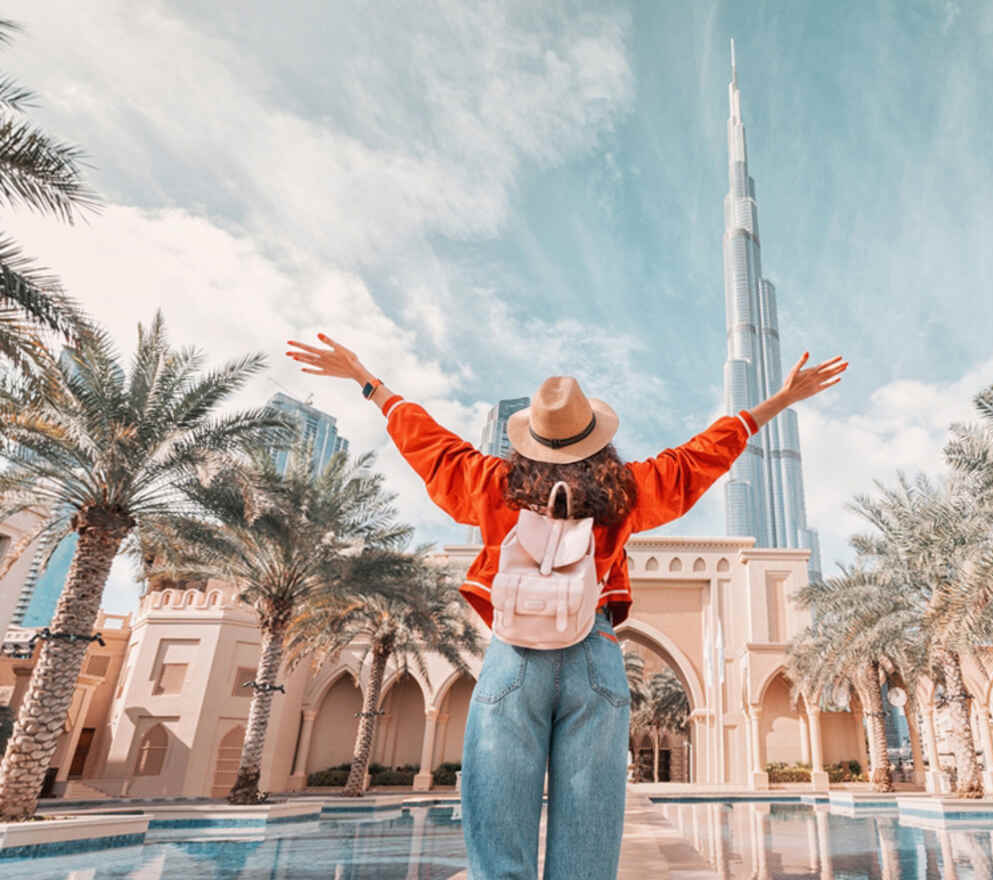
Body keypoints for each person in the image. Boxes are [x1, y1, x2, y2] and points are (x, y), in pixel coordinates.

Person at [284, 333, 847, 880]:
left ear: (530, 438)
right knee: (586, 850)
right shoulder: (625, 489)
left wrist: (367, 381)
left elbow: (429, 443)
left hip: (513, 660)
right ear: (595, 437)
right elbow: (698, 458)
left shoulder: (491, 482)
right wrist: (780, 399)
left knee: (498, 843)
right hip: (595, 656)